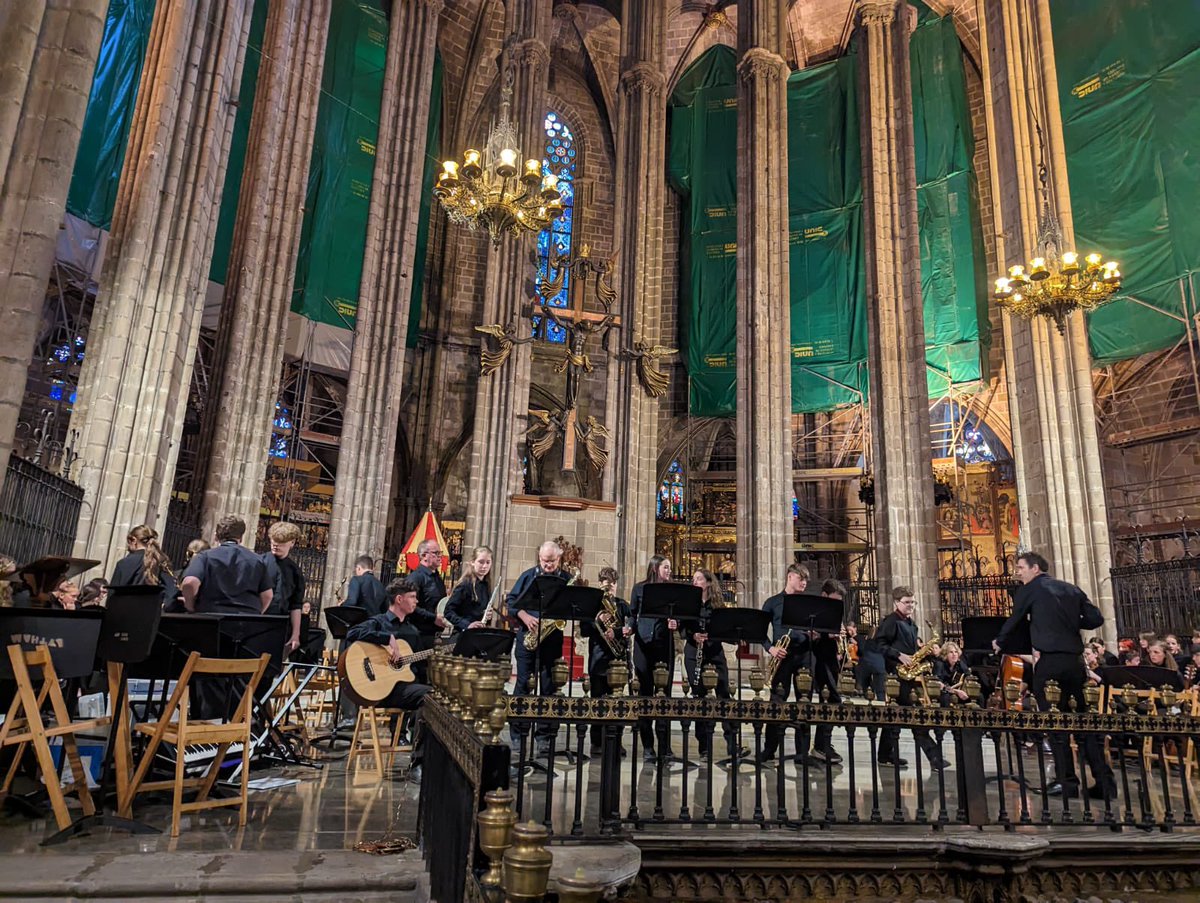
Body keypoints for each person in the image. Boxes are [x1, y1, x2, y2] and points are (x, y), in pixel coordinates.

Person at [993, 551, 1115, 800]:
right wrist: (1068, 620)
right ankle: (1105, 783)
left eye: (1020, 568)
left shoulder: (1030, 589)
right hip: (1075, 663)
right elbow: (1095, 618)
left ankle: (1067, 782)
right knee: (1084, 722)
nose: (1018, 572)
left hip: (1049, 662)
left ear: (1035, 568)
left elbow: (1015, 618)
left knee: (1054, 722)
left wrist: (1000, 641)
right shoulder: (1071, 589)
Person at [343, 579, 432, 782]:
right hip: (377, 689)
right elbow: (351, 633)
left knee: (431, 699)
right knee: (428, 696)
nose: (416, 601)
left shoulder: (413, 632)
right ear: (399, 599)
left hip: (402, 690)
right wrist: (386, 638)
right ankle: (418, 764)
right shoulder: (378, 621)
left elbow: (416, 670)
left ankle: (422, 760)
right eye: (412, 597)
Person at [507, 540, 571, 757]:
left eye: (552, 561)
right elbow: (511, 602)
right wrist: (524, 616)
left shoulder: (565, 579)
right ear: (539, 558)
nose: (548, 565)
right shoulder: (528, 576)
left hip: (552, 640)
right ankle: (518, 733)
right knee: (523, 684)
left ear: (559, 559)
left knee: (549, 687)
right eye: (544, 561)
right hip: (528, 637)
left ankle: (544, 737)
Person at [875, 587, 947, 770]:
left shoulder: (912, 625)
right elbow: (879, 645)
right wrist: (899, 655)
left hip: (908, 674)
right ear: (896, 603)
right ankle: (934, 757)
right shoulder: (891, 621)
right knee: (914, 713)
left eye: (913, 602)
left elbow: (913, 650)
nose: (911, 606)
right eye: (907, 602)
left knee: (894, 716)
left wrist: (927, 652)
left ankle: (884, 755)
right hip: (895, 675)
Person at [685, 569, 744, 760]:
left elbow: (726, 629)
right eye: (693, 579)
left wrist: (717, 634)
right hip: (694, 653)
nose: (694, 582)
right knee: (699, 697)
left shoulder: (718, 606)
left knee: (724, 695)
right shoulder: (689, 603)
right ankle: (704, 747)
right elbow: (682, 628)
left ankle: (732, 744)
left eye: (699, 579)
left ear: (709, 582)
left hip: (714, 653)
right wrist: (693, 635)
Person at [629, 555, 681, 762]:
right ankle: (648, 746)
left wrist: (675, 622)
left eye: (669, 567)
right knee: (645, 694)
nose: (669, 570)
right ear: (655, 568)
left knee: (664, 696)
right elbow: (633, 615)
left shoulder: (672, 590)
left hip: (664, 646)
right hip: (643, 646)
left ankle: (665, 746)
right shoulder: (639, 588)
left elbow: (680, 615)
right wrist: (628, 628)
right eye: (666, 567)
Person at [758, 564, 810, 763]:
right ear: (790, 577)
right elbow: (760, 631)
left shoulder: (808, 603)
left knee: (803, 704)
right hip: (782, 658)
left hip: (804, 657)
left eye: (806, 579)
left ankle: (802, 752)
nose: (804, 582)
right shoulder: (773, 602)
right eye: (801, 578)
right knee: (776, 703)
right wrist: (770, 649)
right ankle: (769, 750)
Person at [180, 515, 272, 614]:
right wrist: (256, 613)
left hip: (211, 616)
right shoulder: (257, 560)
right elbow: (267, 595)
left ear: (216, 536)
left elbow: (190, 583)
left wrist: (190, 605)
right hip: (245, 619)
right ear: (241, 537)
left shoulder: (205, 557)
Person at [583, 566, 632, 754]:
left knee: (618, 703)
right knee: (597, 702)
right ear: (599, 584)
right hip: (598, 660)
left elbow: (630, 625)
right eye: (605, 586)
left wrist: (617, 631)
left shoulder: (622, 604)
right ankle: (596, 742)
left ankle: (616, 741)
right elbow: (585, 630)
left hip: (618, 661)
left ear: (616, 585)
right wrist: (599, 620)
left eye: (611, 586)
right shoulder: (593, 605)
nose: (608, 589)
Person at [260, 521, 306, 655]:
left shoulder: (295, 571)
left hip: (281, 625)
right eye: (273, 541)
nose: (276, 545)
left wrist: (295, 635)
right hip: (258, 621)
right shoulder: (260, 562)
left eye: (281, 543)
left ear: (292, 543)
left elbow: (296, 605)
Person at [110, 524, 178, 605]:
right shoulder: (161, 561)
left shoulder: (124, 563)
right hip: (152, 613)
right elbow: (171, 593)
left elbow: (112, 595)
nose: (128, 545)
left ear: (134, 540)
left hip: (127, 612)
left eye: (129, 542)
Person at [444, 546, 494, 633]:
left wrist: (487, 615)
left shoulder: (486, 585)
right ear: (472, 562)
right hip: (463, 633)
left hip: (478, 633)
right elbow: (448, 612)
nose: (484, 566)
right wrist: (467, 625)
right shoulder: (465, 584)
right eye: (481, 562)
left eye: (488, 562)